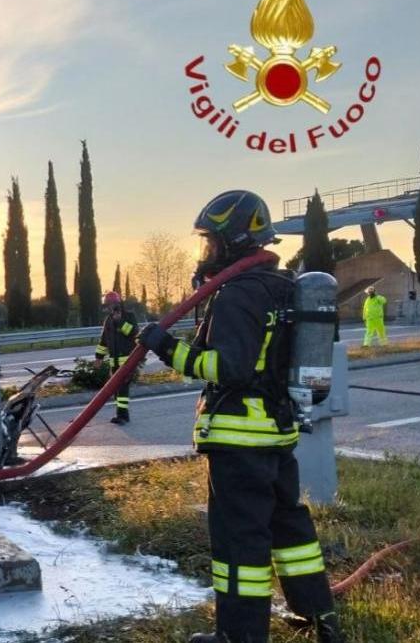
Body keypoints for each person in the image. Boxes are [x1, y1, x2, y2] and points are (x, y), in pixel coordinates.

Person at [135, 191, 344, 643]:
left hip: (239, 440)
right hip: (276, 434)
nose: (205, 251)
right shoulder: (283, 287)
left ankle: (239, 635)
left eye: (210, 242)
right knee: (288, 524)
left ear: (231, 241)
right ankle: (318, 615)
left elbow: (227, 367)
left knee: (240, 541)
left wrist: (165, 347)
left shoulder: (236, 296)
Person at [95, 291, 139, 424]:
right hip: (114, 362)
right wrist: (99, 357)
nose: (110, 307)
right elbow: (104, 341)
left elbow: (134, 333)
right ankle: (120, 414)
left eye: (111, 304)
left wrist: (120, 322)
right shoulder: (108, 320)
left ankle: (123, 416)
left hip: (127, 361)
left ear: (118, 303)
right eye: (108, 305)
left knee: (122, 388)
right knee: (115, 388)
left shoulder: (129, 316)